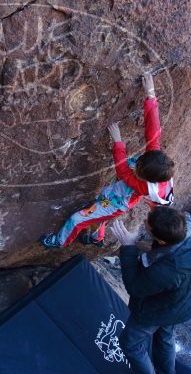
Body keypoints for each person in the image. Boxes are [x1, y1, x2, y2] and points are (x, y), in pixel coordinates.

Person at [41, 69, 175, 248]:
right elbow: (153, 131)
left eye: (139, 167)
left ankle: (59, 241)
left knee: (78, 218)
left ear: (144, 177)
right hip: (116, 197)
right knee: (100, 214)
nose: (137, 163)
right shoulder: (157, 166)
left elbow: (123, 170)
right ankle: (97, 238)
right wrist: (150, 94)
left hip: (115, 203)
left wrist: (118, 142)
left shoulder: (144, 184)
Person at [111, 207, 191, 374]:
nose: (144, 222)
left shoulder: (169, 268)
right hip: (186, 302)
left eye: (147, 224)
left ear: (162, 241)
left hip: (164, 308)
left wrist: (129, 247)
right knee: (164, 335)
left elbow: (136, 287)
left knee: (130, 343)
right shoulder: (190, 227)